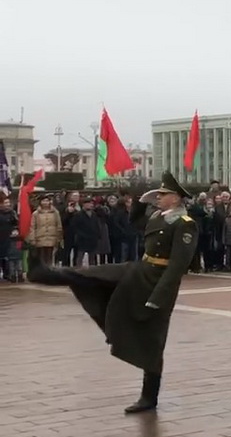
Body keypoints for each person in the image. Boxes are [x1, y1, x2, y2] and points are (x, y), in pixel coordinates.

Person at [28, 172, 199, 413]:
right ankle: (44, 273)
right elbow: (135, 222)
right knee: (94, 274)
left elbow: (177, 266)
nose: (158, 198)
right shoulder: (160, 217)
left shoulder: (185, 225)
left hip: (158, 282)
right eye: (158, 194)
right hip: (140, 270)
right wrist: (142, 201)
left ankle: (149, 396)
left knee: (153, 340)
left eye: (163, 194)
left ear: (176, 198)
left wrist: (159, 297)